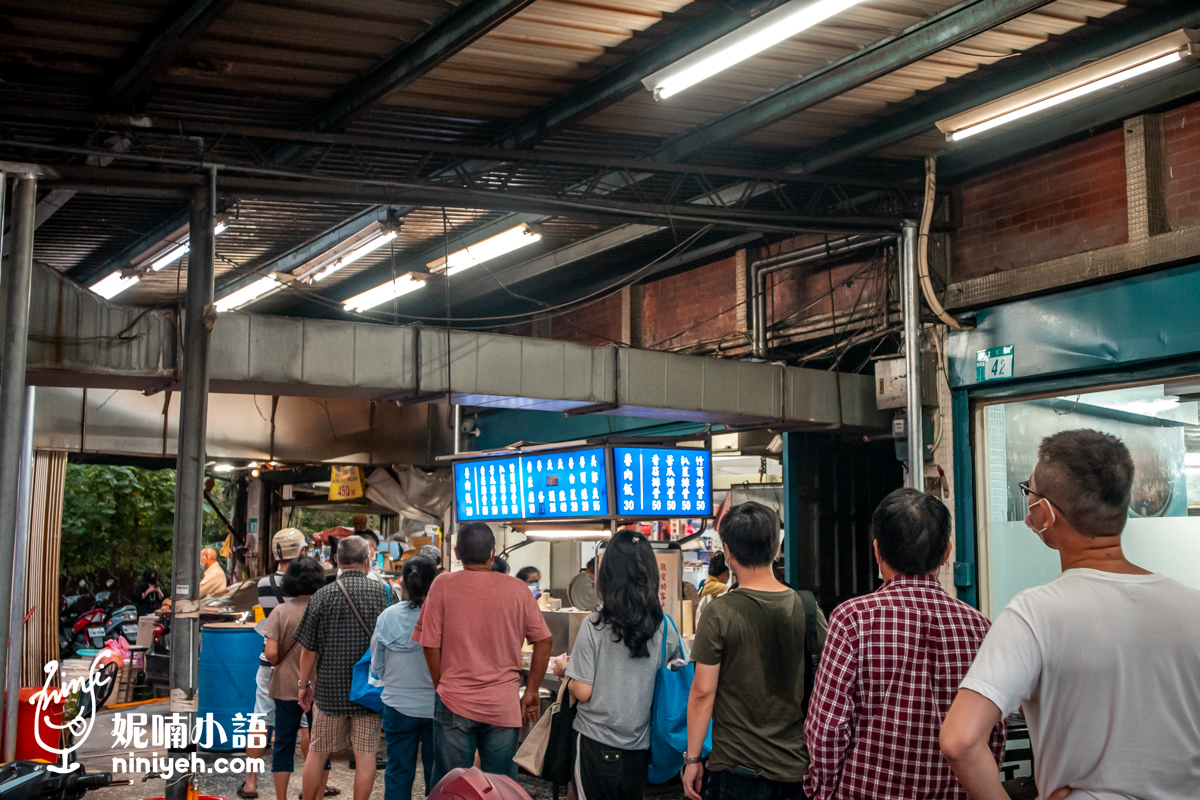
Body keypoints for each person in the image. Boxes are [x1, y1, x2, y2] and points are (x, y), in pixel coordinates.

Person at [941, 429, 1200, 800]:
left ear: (1044, 513)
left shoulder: (1034, 614)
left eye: (1029, 494)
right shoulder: (1193, 607)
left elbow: (960, 741)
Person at [804, 489, 1005, 800]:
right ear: (946, 552)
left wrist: (824, 791)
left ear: (877, 551)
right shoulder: (980, 627)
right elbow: (994, 733)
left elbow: (827, 728)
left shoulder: (853, 619)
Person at [684, 501, 827, 800]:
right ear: (776, 548)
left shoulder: (719, 612)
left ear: (728, 552)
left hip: (737, 770)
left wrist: (693, 759)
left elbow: (702, 692)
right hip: (796, 768)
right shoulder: (809, 609)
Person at [414, 522, 553, 785]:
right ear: (493, 553)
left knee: (452, 785)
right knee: (500, 786)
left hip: (454, 702)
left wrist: (441, 685)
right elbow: (544, 640)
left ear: (456, 553)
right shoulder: (518, 590)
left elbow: (429, 643)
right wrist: (532, 690)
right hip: (503, 705)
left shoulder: (442, 584)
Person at [553, 530, 682, 800]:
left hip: (594, 744)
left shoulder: (595, 624)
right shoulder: (665, 627)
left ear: (608, 575)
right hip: (638, 749)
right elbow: (679, 672)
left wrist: (565, 670)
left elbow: (584, 691)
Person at [296, 535, 393, 800]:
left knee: (317, 753)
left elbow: (308, 649)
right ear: (367, 559)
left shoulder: (322, 596)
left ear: (337, 562)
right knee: (365, 756)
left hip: (329, 692)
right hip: (369, 692)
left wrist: (304, 686)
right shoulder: (386, 594)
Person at [239, 528, 309, 799]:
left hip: (270, 661)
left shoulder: (264, 583)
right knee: (306, 724)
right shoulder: (309, 583)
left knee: (259, 721)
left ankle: (251, 783)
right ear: (301, 550)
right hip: (302, 664)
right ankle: (312, 783)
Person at [262, 556, 331, 800]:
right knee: (321, 746)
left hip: (285, 686)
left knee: (283, 744)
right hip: (321, 688)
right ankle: (317, 796)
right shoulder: (325, 609)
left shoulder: (280, 612)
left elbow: (270, 654)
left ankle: (282, 798)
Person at [371, 556, 439, 800]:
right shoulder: (443, 615)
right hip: (437, 708)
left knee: (399, 771)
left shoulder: (388, 616)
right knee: (438, 774)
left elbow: (376, 666)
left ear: (405, 584)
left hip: (397, 706)